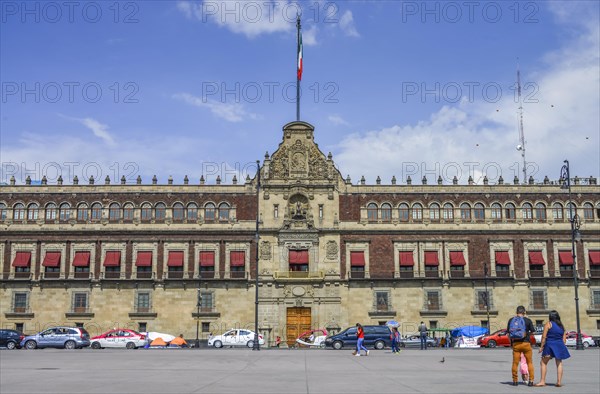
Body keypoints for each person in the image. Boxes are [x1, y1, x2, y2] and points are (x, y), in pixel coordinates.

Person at [535, 310, 570, 387]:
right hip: (559, 345)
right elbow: (564, 340)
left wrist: (541, 347)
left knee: (543, 362)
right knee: (559, 363)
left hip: (549, 345)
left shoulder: (549, 324)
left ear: (550, 317)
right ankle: (559, 382)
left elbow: (544, 337)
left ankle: (542, 381)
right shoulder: (561, 326)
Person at [507, 305, 535, 386]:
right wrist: (527, 334)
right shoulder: (528, 320)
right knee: (529, 362)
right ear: (524, 312)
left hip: (516, 344)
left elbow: (508, 334)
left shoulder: (511, 320)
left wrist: (511, 344)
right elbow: (532, 332)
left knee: (515, 363)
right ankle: (531, 381)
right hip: (526, 343)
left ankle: (515, 381)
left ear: (516, 312)